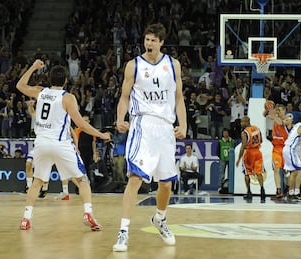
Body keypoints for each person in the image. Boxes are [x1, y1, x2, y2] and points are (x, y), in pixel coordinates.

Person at [113, 23, 186, 252]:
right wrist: (120, 118)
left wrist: (183, 124)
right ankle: (123, 232)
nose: (149, 44)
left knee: (166, 183)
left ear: (162, 42)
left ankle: (160, 219)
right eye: (147, 39)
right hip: (142, 124)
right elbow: (124, 96)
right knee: (135, 178)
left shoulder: (173, 65)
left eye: (154, 40)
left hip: (165, 127)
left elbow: (179, 97)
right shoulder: (133, 65)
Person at [16, 60, 111, 231]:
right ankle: (88, 212)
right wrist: (101, 134)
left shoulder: (40, 91)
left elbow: (20, 85)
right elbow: (81, 124)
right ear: (66, 81)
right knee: (82, 180)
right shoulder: (68, 98)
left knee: (37, 182)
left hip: (41, 143)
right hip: (60, 143)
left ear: (49, 79)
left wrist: (33, 67)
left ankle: (26, 218)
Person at [235, 116, 266, 202]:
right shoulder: (257, 128)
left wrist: (238, 158)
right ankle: (262, 190)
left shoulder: (244, 132)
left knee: (247, 173)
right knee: (259, 172)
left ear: (247, 122)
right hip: (258, 152)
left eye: (242, 122)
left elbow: (243, 146)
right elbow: (262, 140)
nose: (241, 124)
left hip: (249, 153)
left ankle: (249, 192)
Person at [265, 104, 289, 198]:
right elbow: (265, 115)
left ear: (284, 110)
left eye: (279, 110)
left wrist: (273, 115)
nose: (278, 112)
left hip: (286, 148)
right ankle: (278, 190)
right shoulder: (275, 117)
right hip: (276, 148)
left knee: (287, 171)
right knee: (276, 169)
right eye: (277, 110)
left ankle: (288, 187)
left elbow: (280, 123)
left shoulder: (288, 118)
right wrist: (268, 109)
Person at [217, 128, 235, 193]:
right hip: (223, 159)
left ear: (228, 133)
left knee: (231, 174)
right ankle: (219, 187)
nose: (225, 134)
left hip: (231, 160)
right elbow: (218, 151)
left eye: (226, 133)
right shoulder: (220, 141)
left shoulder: (232, 141)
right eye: (224, 133)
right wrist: (221, 157)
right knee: (221, 174)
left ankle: (231, 187)